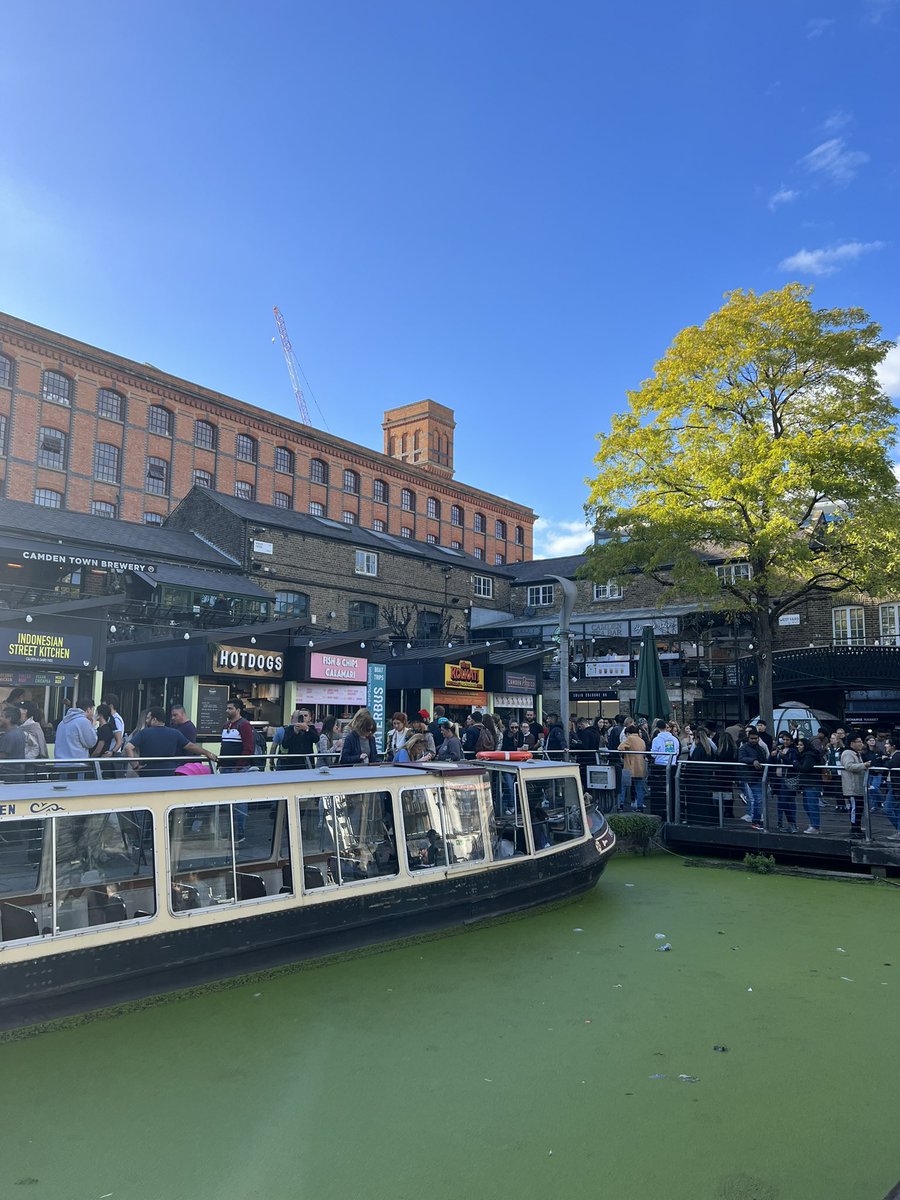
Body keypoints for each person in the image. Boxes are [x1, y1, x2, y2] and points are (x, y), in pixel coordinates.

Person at [125, 706, 216, 777]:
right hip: (169, 772)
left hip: (148, 772)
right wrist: (207, 753)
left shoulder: (144, 733)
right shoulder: (174, 733)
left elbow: (128, 747)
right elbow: (191, 746)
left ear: (155, 719)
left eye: (148, 718)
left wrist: (135, 767)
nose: (146, 720)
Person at [649, 719, 679, 818]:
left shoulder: (657, 739)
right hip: (673, 766)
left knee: (660, 793)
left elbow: (653, 754)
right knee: (672, 791)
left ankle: (660, 814)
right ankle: (673, 813)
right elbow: (677, 752)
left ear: (657, 728)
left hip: (660, 767)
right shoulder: (674, 739)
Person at [738, 729, 767, 828]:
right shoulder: (745, 748)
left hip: (757, 776)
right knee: (758, 799)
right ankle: (756, 820)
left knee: (758, 799)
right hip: (752, 776)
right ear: (748, 738)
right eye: (752, 738)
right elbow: (741, 758)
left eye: (755, 738)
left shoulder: (759, 748)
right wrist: (753, 760)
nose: (754, 740)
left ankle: (756, 820)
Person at [840, 734, 867, 837]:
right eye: (859, 741)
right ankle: (855, 829)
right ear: (852, 743)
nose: (861, 744)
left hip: (857, 786)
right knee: (855, 809)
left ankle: (857, 828)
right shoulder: (848, 753)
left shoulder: (856, 753)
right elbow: (849, 766)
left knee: (858, 808)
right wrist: (863, 765)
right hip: (852, 786)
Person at [772, 731, 800, 833]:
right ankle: (781, 823)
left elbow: (793, 765)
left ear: (791, 741)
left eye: (787, 740)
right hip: (778, 779)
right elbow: (771, 762)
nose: (785, 741)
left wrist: (783, 756)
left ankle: (792, 823)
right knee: (781, 802)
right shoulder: (779, 749)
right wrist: (773, 755)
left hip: (787, 779)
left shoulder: (793, 751)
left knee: (786, 802)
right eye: (783, 739)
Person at [219, 700, 255, 771]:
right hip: (224, 766)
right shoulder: (225, 725)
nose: (227, 710)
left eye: (230, 708)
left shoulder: (244, 725)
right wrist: (220, 764)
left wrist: (238, 767)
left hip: (238, 768)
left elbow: (248, 748)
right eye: (227, 708)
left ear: (238, 710)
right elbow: (223, 746)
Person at [797, 736, 823, 834]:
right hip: (808, 783)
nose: (798, 747)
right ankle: (814, 824)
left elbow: (805, 768)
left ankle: (815, 826)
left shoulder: (808, 756)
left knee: (811, 805)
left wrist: (796, 765)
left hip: (811, 783)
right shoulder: (808, 755)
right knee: (807, 805)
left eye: (800, 745)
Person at [619, 723, 648, 811]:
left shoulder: (630, 739)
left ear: (628, 733)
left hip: (629, 766)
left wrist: (624, 753)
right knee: (639, 787)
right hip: (639, 767)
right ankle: (640, 805)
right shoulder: (641, 740)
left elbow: (620, 747)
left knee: (623, 786)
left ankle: (620, 804)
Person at [0, 706, 27, 781]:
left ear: (9, 719)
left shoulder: (9, 735)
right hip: (18, 774)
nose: (0, 718)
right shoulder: (20, 732)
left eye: (2, 716)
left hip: (7, 775)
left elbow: (1, 757)